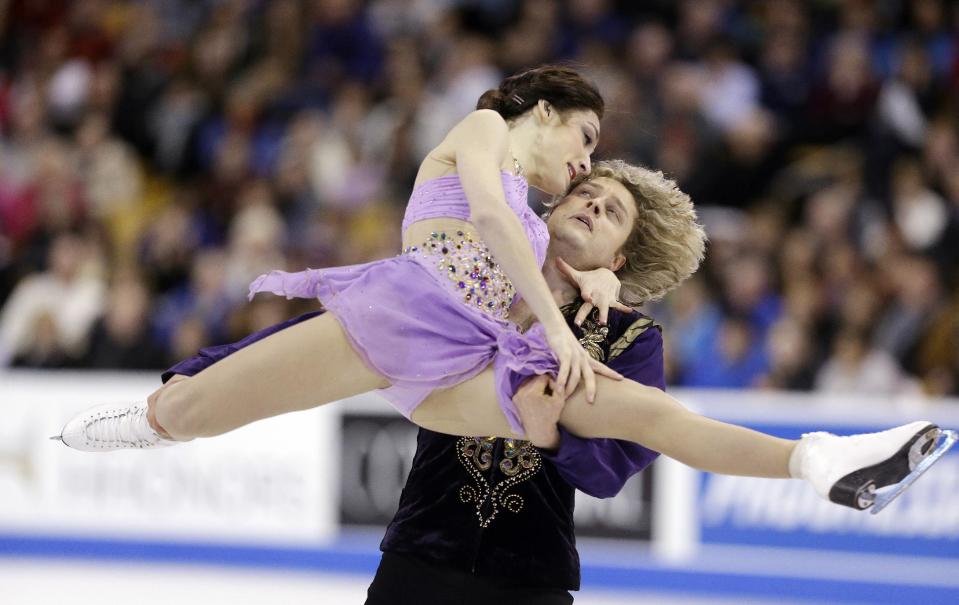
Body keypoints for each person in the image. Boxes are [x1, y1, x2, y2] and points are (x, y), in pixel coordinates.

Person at [57, 66, 949, 513]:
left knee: (639, 411)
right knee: (197, 412)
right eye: (585, 136)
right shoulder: (483, 131)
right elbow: (487, 218)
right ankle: (147, 420)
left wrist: (593, 282)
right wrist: (562, 325)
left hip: (463, 370)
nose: (587, 158)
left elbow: (537, 255)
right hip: (396, 319)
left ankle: (818, 461)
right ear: (546, 112)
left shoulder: (547, 218)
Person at [156, 161, 676, 604]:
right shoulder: (471, 278)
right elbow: (350, 323)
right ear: (552, 208)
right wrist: (207, 369)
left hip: (531, 578)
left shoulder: (633, 338)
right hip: (419, 561)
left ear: (617, 259)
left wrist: (553, 437)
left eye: (611, 212)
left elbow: (616, 467)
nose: (591, 206)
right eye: (586, 193)